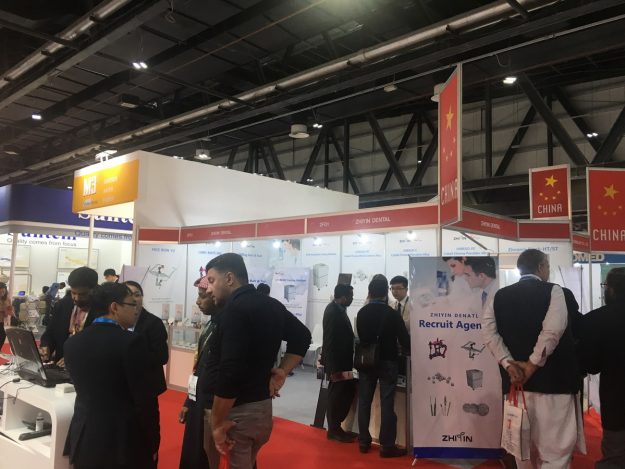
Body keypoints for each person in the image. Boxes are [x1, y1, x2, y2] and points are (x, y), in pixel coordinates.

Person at [203, 253, 311, 469]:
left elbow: (230, 371)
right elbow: (302, 336)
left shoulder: (234, 310)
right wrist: (283, 370)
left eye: (212, 281)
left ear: (229, 278)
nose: (208, 289)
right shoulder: (271, 305)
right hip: (261, 409)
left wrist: (217, 422)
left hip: (238, 412)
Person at [482, 248, 581, 469]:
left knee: (522, 451)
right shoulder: (554, 291)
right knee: (555, 452)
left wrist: (508, 363)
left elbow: (488, 333)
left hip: (516, 386)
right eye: (547, 266)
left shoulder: (499, 295)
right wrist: (531, 365)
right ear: (541, 267)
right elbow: (552, 331)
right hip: (553, 384)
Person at [63, 283, 159, 469]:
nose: (136, 309)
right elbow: (144, 401)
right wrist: (153, 441)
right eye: (131, 304)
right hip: (123, 442)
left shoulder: (72, 343)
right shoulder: (131, 342)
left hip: (84, 437)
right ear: (114, 307)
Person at [356, 276, 410, 458]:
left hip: (366, 362)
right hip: (388, 362)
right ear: (386, 292)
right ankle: (387, 446)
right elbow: (405, 340)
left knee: (364, 402)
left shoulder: (362, 313)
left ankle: (364, 441)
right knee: (387, 403)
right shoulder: (392, 314)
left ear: (370, 292)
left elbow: (361, 336)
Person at [579, 267, 625, 468]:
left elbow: (591, 365)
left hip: (616, 399)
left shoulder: (596, 319)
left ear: (611, 289)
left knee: (614, 456)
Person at [179, 275, 221, 469]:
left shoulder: (224, 327)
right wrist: (189, 400)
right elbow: (198, 367)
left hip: (214, 404)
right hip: (199, 399)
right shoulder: (211, 324)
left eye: (203, 296)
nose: (198, 301)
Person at [125, 280, 169, 464]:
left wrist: (132, 356)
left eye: (137, 294)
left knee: (147, 432)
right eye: (129, 295)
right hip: (123, 389)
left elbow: (161, 356)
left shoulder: (153, 323)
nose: (134, 298)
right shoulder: (117, 321)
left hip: (146, 389)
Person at [40, 267, 98, 366]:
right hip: (60, 366)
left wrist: (76, 357)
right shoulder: (63, 305)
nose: (77, 298)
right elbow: (50, 333)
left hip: (86, 367)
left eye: (82, 294)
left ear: (93, 290)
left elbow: (100, 345)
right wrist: (46, 347)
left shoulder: (102, 311)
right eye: (73, 293)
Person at [321, 284, 356, 443]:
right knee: (336, 394)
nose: (352, 299)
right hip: (337, 363)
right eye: (350, 296)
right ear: (343, 297)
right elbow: (329, 339)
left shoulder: (339, 310)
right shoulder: (332, 311)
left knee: (346, 391)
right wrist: (330, 365)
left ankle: (337, 427)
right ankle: (333, 429)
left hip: (344, 362)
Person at [0, 282, 13, 348]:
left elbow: (9, 310)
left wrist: (10, 311)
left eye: (3, 292)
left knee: (3, 336)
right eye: (0, 292)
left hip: (2, 321)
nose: (2, 293)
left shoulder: (7, 299)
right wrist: (3, 309)